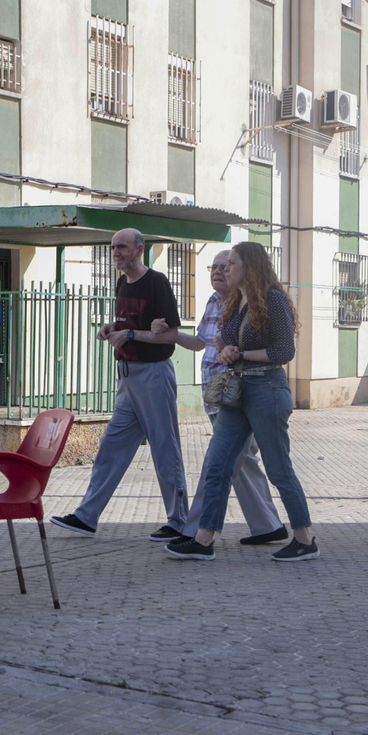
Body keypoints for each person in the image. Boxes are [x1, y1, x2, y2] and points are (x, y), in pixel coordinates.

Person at [163, 241, 318, 562]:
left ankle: (304, 539)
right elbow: (225, 343)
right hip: (237, 391)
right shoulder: (238, 302)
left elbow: (283, 351)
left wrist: (241, 353)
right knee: (218, 466)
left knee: (278, 469)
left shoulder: (272, 300)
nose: (224, 269)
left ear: (249, 266)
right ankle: (204, 540)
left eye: (231, 263)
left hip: (266, 390)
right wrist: (225, 348)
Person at [50, 228, 189, 542]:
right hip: (127, 377)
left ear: (139, 249)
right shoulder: (121, 283)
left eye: (122, 247)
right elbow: (131, 324)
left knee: (165, 449)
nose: (116, 252)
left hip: (153, 374)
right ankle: (86, 517)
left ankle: (179, 521)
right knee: (111, 448)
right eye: (113, 247)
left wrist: (128, 335)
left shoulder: (157, 283)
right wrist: (113, 327)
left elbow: (169, 336)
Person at [147, 248, 289, 546]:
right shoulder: (214, 301)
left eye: (225, 266)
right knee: (242, 461)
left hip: (243, 394)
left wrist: (238, 353)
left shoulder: (250, 304)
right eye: (213, 266)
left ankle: (194, 531)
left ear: (242, 269)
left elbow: (280, 349)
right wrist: (167, 335)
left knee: (220, 462)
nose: (218, 272)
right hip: (218, 393)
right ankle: (269, 526)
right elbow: (200, 342)